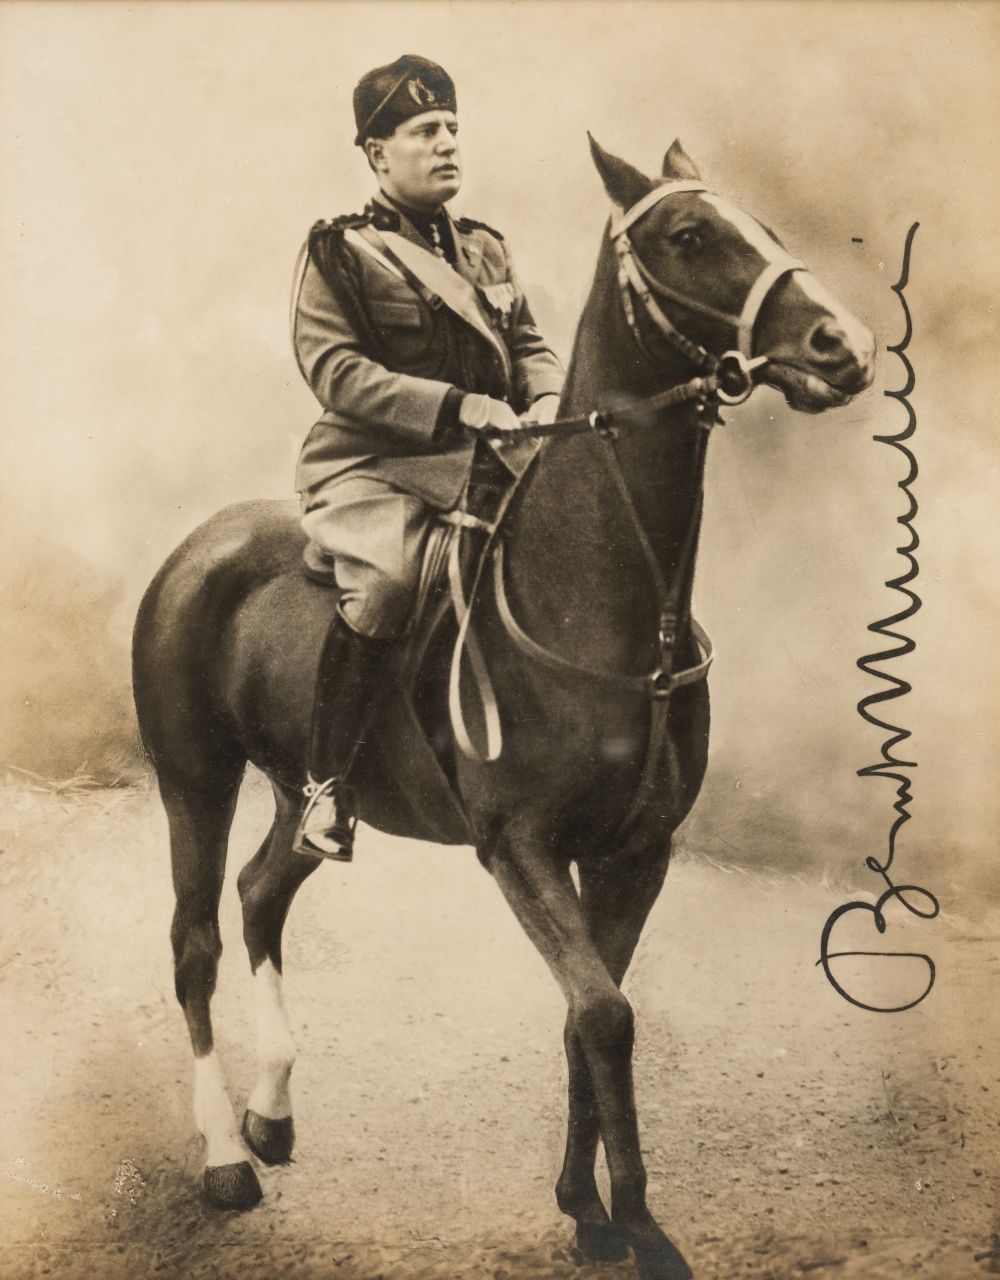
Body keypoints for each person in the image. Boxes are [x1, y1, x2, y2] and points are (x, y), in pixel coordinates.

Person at [290, 54, 564, 862]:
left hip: (488, 461)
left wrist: (544, 398)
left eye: (451, 127)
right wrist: (459, 406)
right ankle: (326, 788)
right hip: (375, 466)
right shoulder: (340, 253)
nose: (446, 143)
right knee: (388, 584)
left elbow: (530, 345)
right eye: (423, 131)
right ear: (377, 153)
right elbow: (335, 372)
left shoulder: (484, 248)